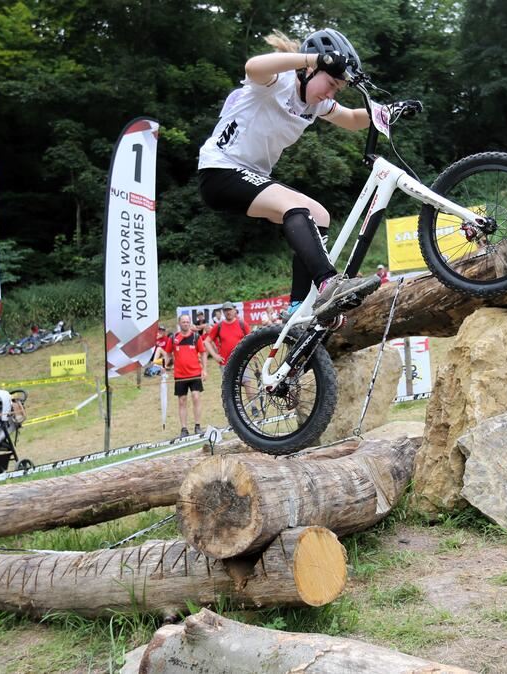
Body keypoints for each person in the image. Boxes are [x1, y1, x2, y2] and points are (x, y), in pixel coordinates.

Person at [197, 28, 381, 323]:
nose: (330, 93)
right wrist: (314, 57)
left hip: (251, 174)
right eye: (330, 83)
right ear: (310, 69)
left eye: (336, 89)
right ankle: (328, 283)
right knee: (296, 209)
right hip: (220, 170)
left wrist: (387, 111)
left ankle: (298, 307)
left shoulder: (315, 103)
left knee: (319, 215)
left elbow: (351, 119)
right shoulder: (275, 81)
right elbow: (252, 67)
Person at [163, 314, 207, 438]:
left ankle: (198, 426)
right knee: (182, 401)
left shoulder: (196, 337)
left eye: (187, 322)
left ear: (190, 323)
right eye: (183, 322)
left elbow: (203, 353)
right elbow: (167, 353)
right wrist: (166, 365)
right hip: (180, 375)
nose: (185, 324)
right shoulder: (173, 338)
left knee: (196, 397)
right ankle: (184, 428)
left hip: (195, 373)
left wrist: (204, 370)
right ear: (179, 323)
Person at [205, 302, 250, 367]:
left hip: (242, 361)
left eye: (230, 309)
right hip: (225, 363)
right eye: (226, 310)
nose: (228, 312)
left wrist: (252, 354)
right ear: (223, 312)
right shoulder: (218, 326)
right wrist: (215, 356)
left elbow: (250, 340)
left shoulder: (242, 324)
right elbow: (206, 342)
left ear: (234, 310)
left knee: (244, 377)